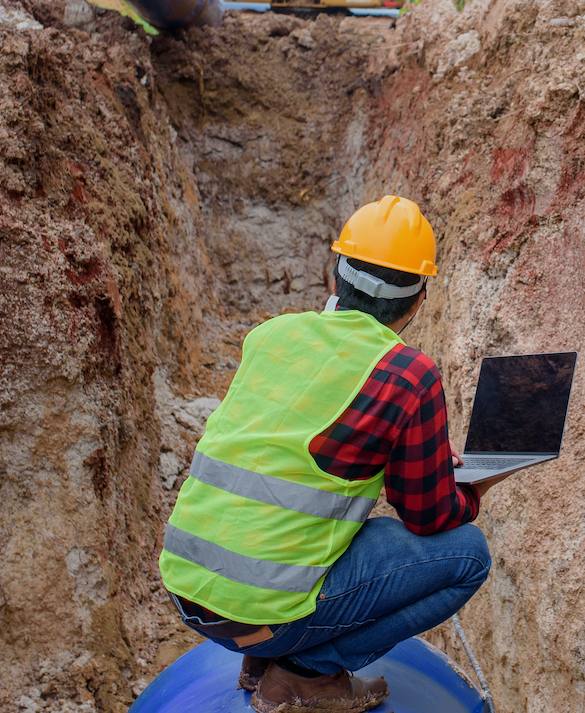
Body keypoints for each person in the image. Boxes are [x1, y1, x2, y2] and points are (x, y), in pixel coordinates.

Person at [158, 196, 507, 713]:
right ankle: (306, 673)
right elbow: (427, 515)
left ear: (336, 270)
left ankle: (266, 659)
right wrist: (473, 490)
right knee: (468, 556)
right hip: (265, 616)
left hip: (188, 592)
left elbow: (288, 453)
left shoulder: (270, 336)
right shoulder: (409, 375)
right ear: (418, 299)